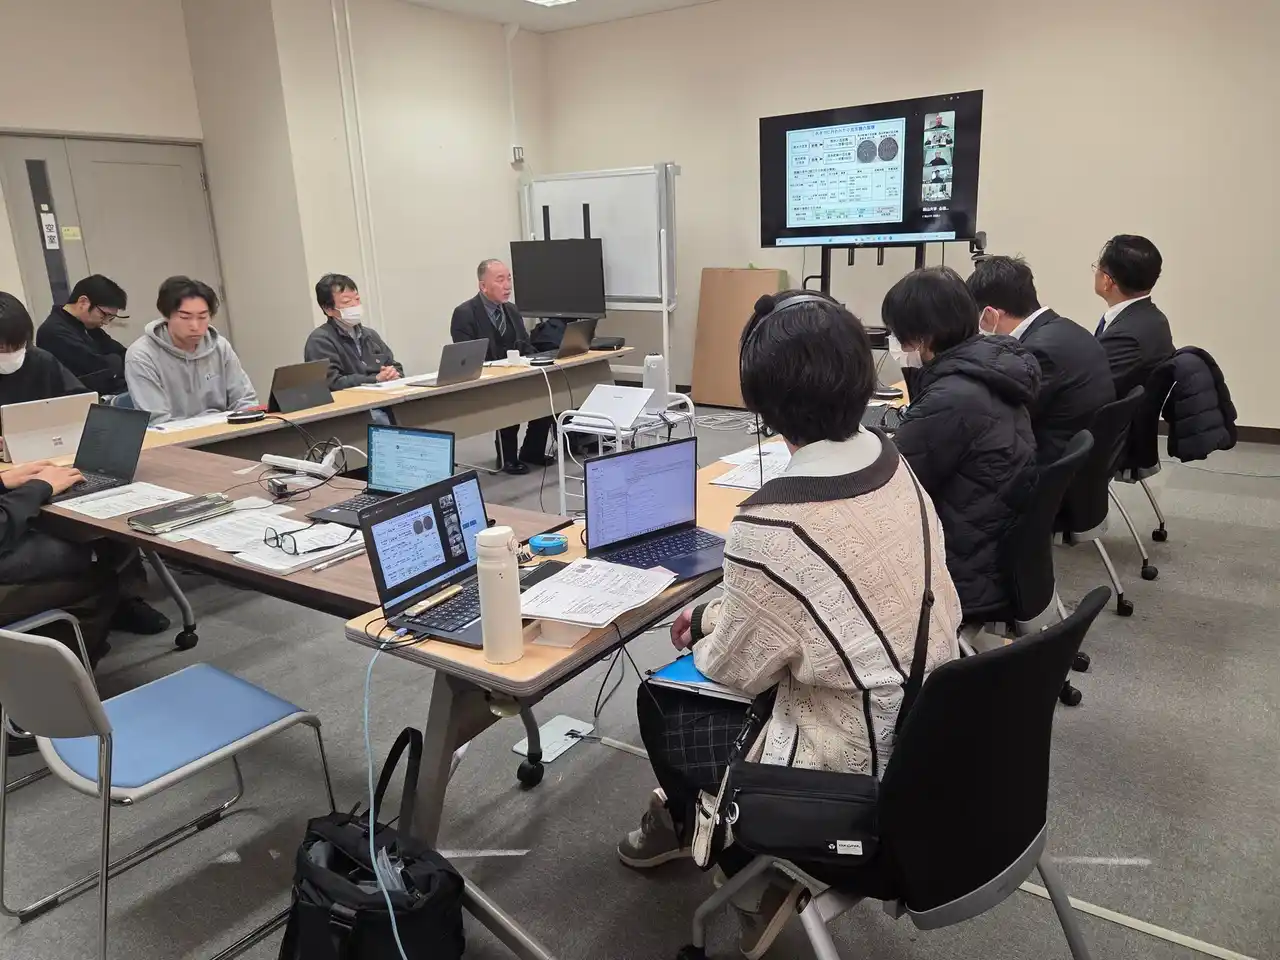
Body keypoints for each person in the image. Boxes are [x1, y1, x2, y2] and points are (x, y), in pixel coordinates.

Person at [617, 291, 962, 959]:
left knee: (662, 698)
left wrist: (705, 624)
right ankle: (700, 824)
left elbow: (734, 670)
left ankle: (733, 860)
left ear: (761, 402)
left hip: (860, 783)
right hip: (935, 734)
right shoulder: (893, 461)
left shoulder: (772, 521)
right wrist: (720, 613)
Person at [882, 266, 1039, 619]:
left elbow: (890, 484)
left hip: (963, 568)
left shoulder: (953, 398)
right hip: (993, 544)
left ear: (923, 337)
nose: (895, 343)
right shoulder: (990, 369)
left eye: (898, 334)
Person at [968, 256, 1115, 464]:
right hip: (1084, 451)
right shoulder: (1066, 328)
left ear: (990, 314)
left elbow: (1003, 419)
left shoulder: (1035, 352)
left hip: (1052, 464)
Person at [449, 259, 554, 475]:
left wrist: (541, 359)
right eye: (500, 280)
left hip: (515, 375)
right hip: (486, 382)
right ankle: (508, 457)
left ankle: (532, 451)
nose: (507, 286)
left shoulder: (512, 310)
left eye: (509, 279)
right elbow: (466, 357)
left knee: (549, 392)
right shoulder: (465, 313)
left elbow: (525, 345)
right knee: (508, 397)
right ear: (483, 286)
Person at [125, 276, 258, 424]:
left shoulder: (220, 347)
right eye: (185, 317)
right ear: (166, 316)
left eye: (202, 317)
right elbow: (157, 421)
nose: (195, 326)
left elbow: (245, 401)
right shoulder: (141, 356)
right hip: (176, 436)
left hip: (226, 431)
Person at [1093, 234, 1174, 399]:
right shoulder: (1154, 318)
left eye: (1097, 267)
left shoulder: (1125, 336)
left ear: (1107, 281)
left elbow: (1090, 387)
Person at [304, 273, 403, 389]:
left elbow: (395, 366)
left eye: (357, 299)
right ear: (328, 309)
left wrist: (392, 374)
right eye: (347, 301)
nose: (355, 305)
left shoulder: (370, 335)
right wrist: (375, 379)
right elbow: (331, 382)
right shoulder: (320, 340)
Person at [36, 275, 130, 396]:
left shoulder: (88, 327)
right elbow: (99, 368)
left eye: (110, 318)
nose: (106, 322)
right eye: (104, 315)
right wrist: (114, 362)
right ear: (83, 302)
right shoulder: (53, 332)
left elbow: (125, 355)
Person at [0, 293, 85, 407]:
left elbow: (80, 398)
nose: (11, 353)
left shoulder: (42, 361)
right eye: (1, 347)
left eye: (17, 345)